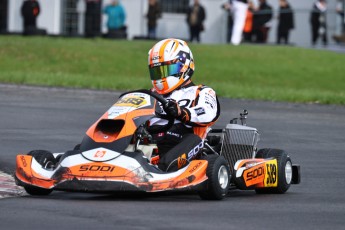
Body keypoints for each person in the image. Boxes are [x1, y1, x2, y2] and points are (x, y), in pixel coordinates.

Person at [147, 38, 220, 172]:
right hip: (152, 140)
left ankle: (163, 170)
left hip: (182, 142)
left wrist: (182, 112)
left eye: (166, 70)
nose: (161, 77)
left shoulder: (201, 92)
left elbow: (207, 112)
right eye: (157, 71)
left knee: (192, 139)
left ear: (183, 66)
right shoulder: (151, 95)